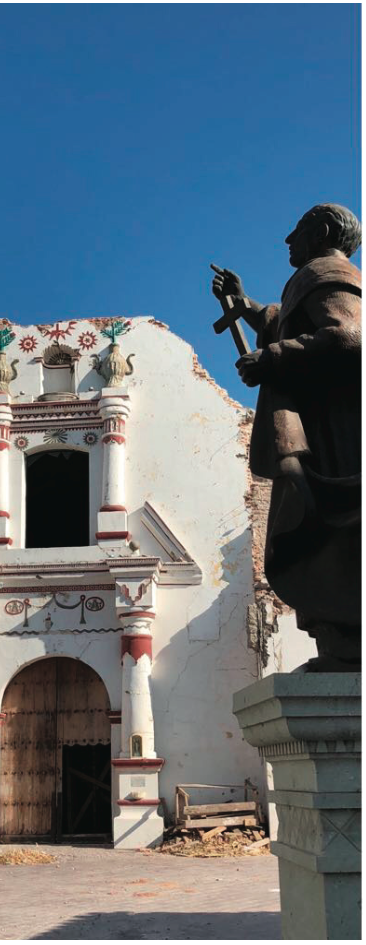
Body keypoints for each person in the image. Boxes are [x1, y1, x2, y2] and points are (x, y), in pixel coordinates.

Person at [211, 204, 361, 671]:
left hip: (330, 436)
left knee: (325, 527)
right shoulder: (313, 275)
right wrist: (246, 304)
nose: (286, 240)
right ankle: (340, 644)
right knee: (317, 530)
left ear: (318, 233)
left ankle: (347, 644)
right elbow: (289, 323)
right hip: (321, 428)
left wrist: (271, 359)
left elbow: (348, 337)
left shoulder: (329, 272)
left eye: (295, 230)